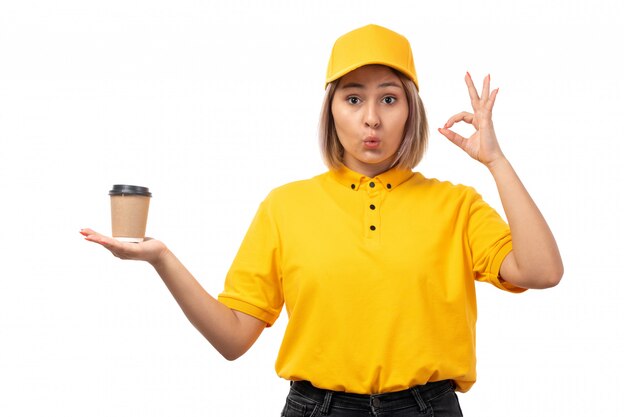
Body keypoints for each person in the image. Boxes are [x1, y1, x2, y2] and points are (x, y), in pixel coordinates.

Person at [81, 24, 563, 417]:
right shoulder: (285, 206)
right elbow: (232, 339)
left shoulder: (456, 206)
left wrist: (495, 161)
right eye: (353, 99)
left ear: (411, 112)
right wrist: (161, 258)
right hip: (317, 409)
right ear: (331, 111)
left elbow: (542, 272)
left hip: (427, 408)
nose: (371, 118)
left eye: (389, 99)